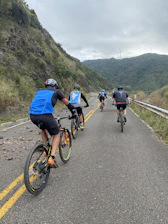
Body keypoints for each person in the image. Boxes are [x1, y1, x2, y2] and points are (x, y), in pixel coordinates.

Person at [29, 78, 75, 168]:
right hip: (45, 115)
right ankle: (52, 157)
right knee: (56, 134)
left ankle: (44, 149)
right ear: (55, 86)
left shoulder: (39, 91)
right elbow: (67, 102)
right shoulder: (56, 91)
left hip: (33, 115)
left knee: (43, 128)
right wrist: (73, 112)